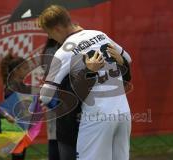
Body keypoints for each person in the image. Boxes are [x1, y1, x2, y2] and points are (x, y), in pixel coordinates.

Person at [38, 5, 132, 160]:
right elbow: (127, 58)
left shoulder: (63, 52)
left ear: (56, 29)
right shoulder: (99, 34)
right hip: (123, 112)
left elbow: (45, 96)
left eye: (49, 33)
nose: (51, 38)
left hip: (96, 117)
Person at [0, 54, 29, 160]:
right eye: (25, 68)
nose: (28, 70)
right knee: (17, 156)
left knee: (21, 156)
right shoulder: (11, 87)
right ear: (16, 70)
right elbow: (13, 107)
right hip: (15, 127)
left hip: (22, 126)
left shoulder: (21, 85)